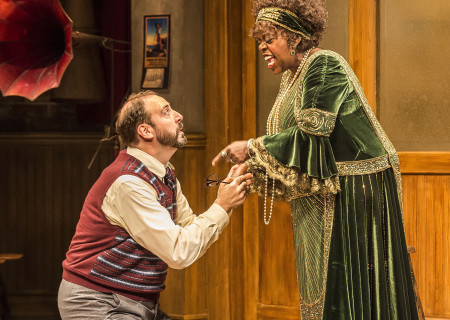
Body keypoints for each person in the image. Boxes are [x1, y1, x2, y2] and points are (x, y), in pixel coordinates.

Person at [212, 1, 421, 319]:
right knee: (326, 283)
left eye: (269, 38)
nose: (262, 47)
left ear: (294, 36)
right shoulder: (292, 77)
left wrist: (252, 148)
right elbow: (299, 145)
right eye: (259, 40)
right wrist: (254, 167)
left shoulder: (324, 64)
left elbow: (313, 131)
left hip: (358, 188)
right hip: (332, 187)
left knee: (349, 283)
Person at [58, 90, 252, 319]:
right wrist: (222, 205)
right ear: (146, 131)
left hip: (137, 301)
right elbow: (179, 252)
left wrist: (226, 199)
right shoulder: (128, 183)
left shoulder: (164, 174)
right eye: (166, 112)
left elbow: (188, 229)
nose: (179, 116)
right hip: (99, 302)